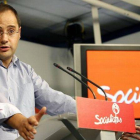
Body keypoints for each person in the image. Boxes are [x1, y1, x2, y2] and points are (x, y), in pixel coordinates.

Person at [0, 3, 76, 140]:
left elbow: (56, 100)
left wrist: (97, 114)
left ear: (19, 33)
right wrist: (20, 121)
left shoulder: (27, 72)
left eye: (11, 31)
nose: (4, 39)